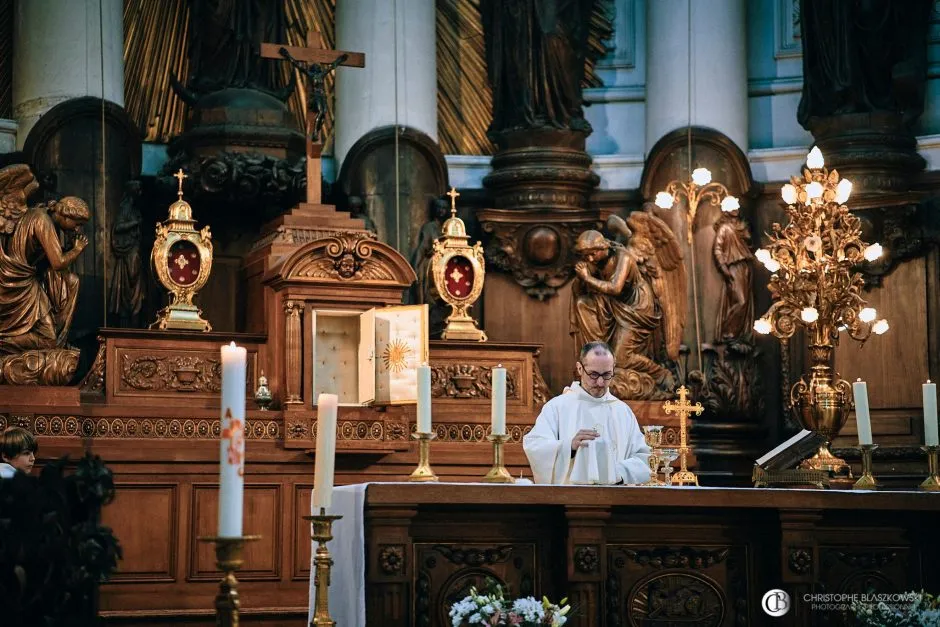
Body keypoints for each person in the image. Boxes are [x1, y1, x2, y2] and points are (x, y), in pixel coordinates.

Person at [523, 342, 651, 485]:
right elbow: (535, 445)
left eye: (607, 374)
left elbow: (643, 458)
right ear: (579, 368)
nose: (601, 382)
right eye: (594, 374)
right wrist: (569, 447)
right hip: (569, 500)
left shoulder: (622, 411)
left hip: (615, 499)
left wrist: (618, 472)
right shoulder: (557, 407)